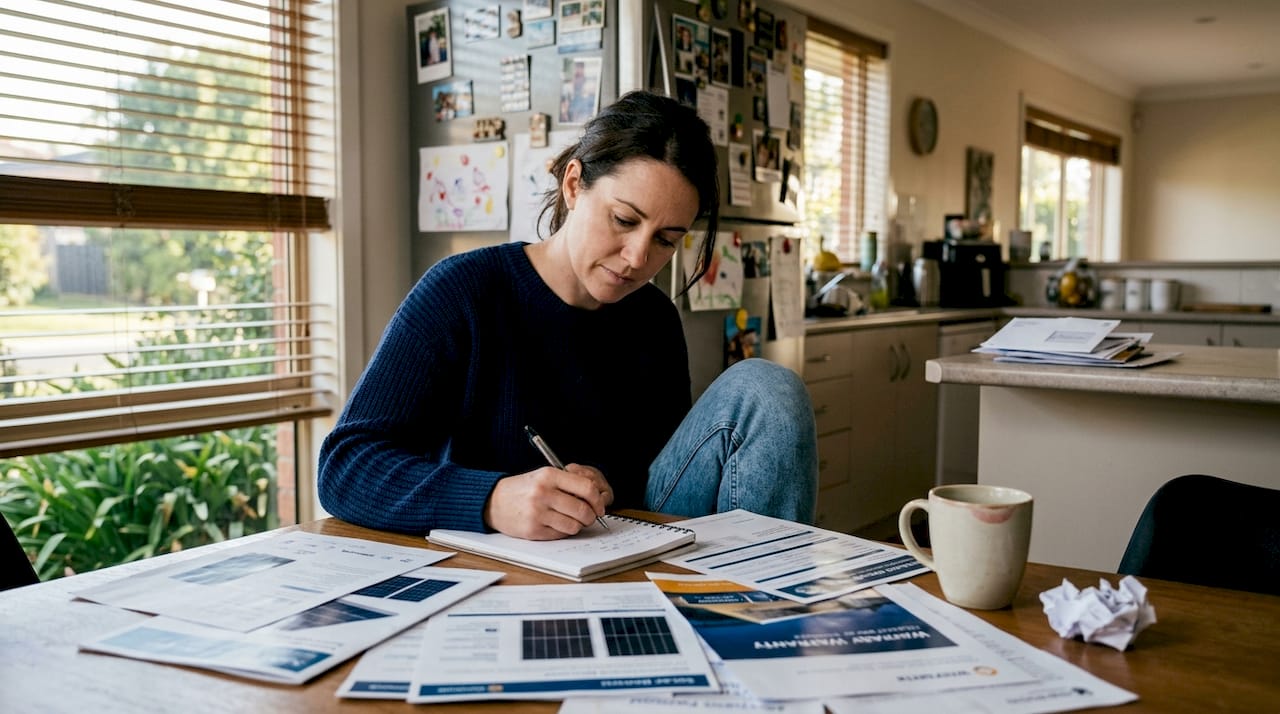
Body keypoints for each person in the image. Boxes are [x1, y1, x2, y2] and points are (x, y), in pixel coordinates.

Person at [318, 91, 818, 540]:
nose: (638, 258)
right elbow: (344, 466)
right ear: (574, 185)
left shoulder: (655, 318)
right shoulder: (463, 292)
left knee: (766, 389)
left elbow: (664, 476)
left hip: (620, 545)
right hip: (496, 565)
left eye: (667, 240)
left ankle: (758, 613)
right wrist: (491, 500)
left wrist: (604, 485)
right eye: (624, 220)